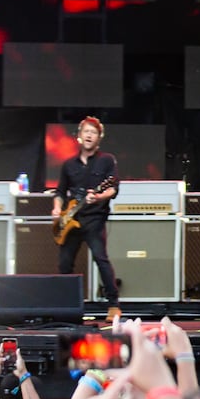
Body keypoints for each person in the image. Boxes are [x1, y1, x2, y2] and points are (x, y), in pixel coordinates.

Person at [51, 116, 122, 320]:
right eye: (86, 132)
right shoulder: (68, 165)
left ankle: (113, 305)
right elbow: (60, 192)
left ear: (99, 138)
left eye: (94, 132)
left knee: (101, 259)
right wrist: (57, 209)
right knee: (65, 264)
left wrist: (98, 196)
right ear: (79, 136)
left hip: (94, 219)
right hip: (71, 220)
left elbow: (114, 188)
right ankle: (66, 306)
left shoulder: (106, 160)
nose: (89, 135)